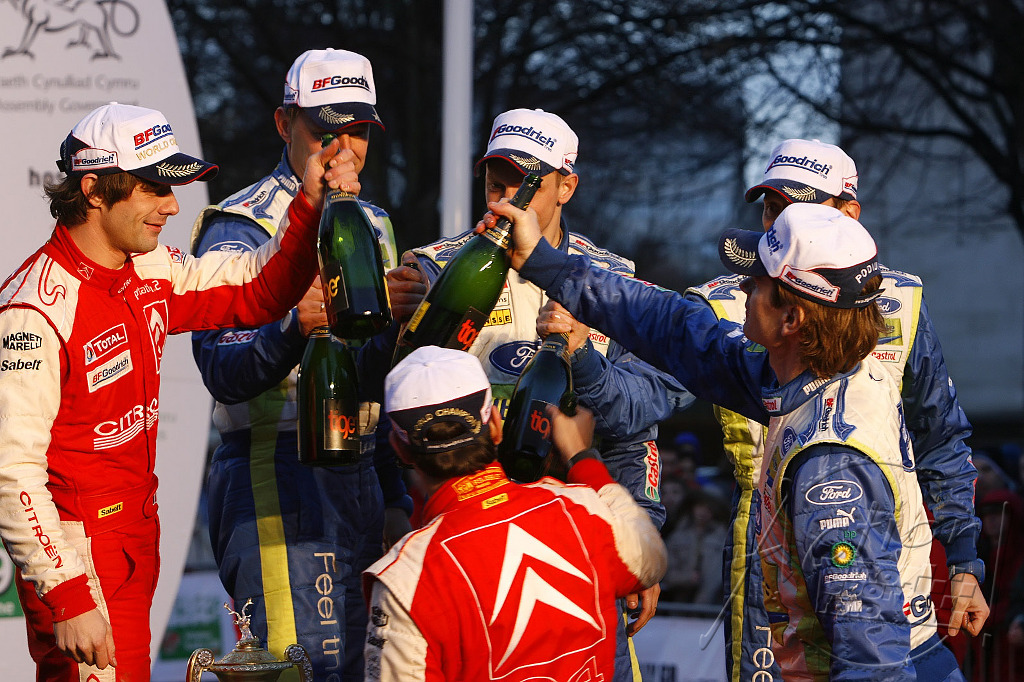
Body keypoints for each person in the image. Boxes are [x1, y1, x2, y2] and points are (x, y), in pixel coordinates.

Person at [491, 198, 970, 680]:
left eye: (758, 282)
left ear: (791, 320)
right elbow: (676, 328)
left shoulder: (831, 471)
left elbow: (873, 664)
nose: (741, 287)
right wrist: (544, 262)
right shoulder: (817, 371)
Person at [0, 101, 352, 680]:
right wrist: (66, 594)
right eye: (154, 188)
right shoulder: (33, 310)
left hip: (136, 532)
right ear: (93, 189)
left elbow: (258, 288)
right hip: (80, 552)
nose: (172, 205)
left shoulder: (151, 266)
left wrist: (309, 204)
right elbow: (14, 472)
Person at [366, 107, 691, 680]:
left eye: (523, 185)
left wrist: (637, 530)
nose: (504, 199)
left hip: (577, 542)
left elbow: (639, 421)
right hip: (470, 547)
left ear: (567, 187)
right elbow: (385, 407)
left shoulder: (613, 281)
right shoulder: (434, 270)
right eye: (495, 182)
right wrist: (385, 330)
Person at [683, 138, 989, 682]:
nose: (781, 223)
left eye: (801, 207)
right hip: (764, 563)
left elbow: (940, 437)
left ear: (850, 212)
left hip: (887, 562)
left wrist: (964, 559)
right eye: (772, 208)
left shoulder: (902, 302)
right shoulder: (729, 300)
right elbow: (638, 397)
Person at [189, 48, 412, 681]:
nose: (344, 148)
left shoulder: (375, 222)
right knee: (300, 669)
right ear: (284, 123)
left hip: (361, 472)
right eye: (325, 129)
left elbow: (371, 379)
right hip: (274, 476)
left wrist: (395, 493)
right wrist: (293, 326)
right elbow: (221, 368)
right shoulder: (238, 225)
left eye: (358, 130)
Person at [362, 346, 668, 681]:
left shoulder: (405, 577)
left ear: (400, 448)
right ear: (495, 424)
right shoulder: (581, 509)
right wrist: (582, 458)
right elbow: (649, 558)